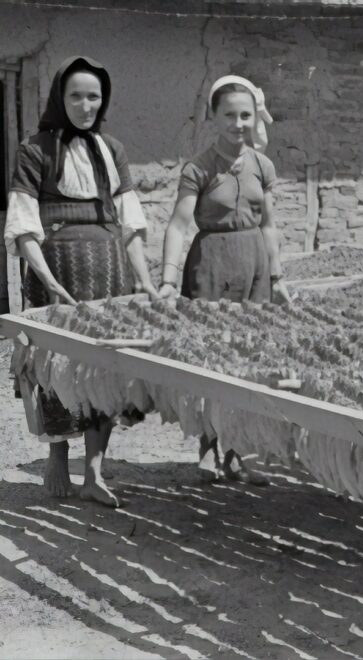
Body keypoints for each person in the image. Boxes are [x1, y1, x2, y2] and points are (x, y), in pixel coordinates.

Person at [4, 56, 159, 507]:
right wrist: (49, 281)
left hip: (110, 270)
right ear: (60, 97)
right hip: (58, 272)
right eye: (76, 95)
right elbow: (23, 225)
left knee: (103, 370)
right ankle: (57, 452)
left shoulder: (112, 150)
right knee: (54, 364)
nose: (86, 104)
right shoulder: (35, 150)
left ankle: (94, 471)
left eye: (94, 96)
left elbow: (131, 225)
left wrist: (144, 282)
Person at [158, 75, 290, 485]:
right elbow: (179, 225)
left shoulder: (262, 165)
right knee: (210, 356)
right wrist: (167, 279)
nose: (238, 123)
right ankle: (208, 448)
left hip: (253, 263)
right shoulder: (198, 168)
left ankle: (240, 452)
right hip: (211, 262)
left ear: (254, 119)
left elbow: (269, 225)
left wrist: (277, 275)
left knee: (250, 358)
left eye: (245, 115)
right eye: (229, 115)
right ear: (213, 117)